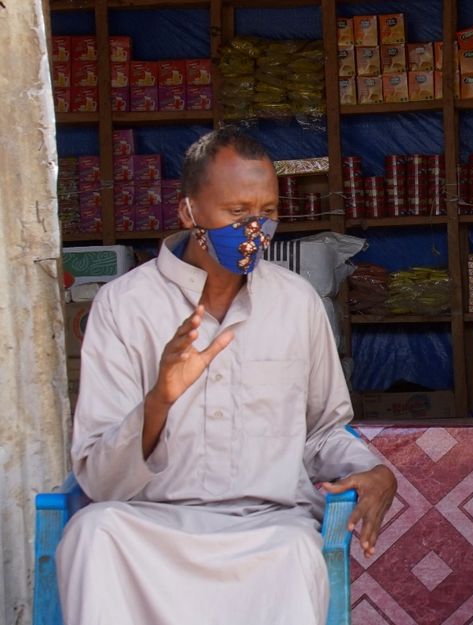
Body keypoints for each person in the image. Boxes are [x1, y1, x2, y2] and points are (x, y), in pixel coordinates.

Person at [56, 127, 397, 625]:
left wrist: (375, 468)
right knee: (92, 535)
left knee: (297, 553)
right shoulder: (125, 305)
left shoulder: (297, 302)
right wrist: (160, 400)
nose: (255, 230)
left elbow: (324, 430)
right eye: (237, 214)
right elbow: (99, 475)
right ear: (188, 212)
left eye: (268, 213)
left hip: (267, 526)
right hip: (150, 526)